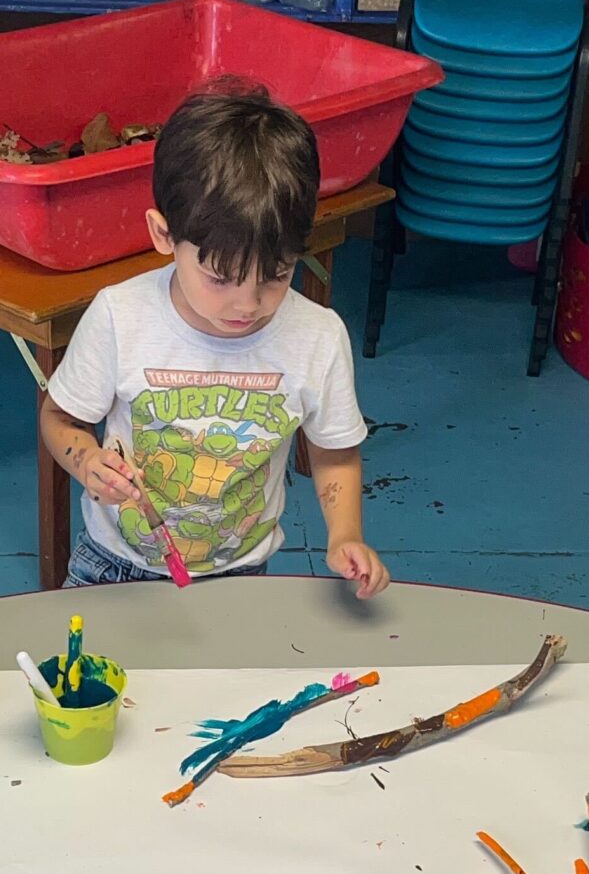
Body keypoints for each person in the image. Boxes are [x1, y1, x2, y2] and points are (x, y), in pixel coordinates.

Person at [38, 84, 391, 595]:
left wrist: (345, 535)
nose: (248, 305)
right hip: (113, 567)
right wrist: (88, 461)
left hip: (243, 575)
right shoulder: (121, 316)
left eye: (276, 274)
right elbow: (60, 418)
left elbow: (334, 452)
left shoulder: (318, 338)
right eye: (221, 278)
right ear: (164, 236)